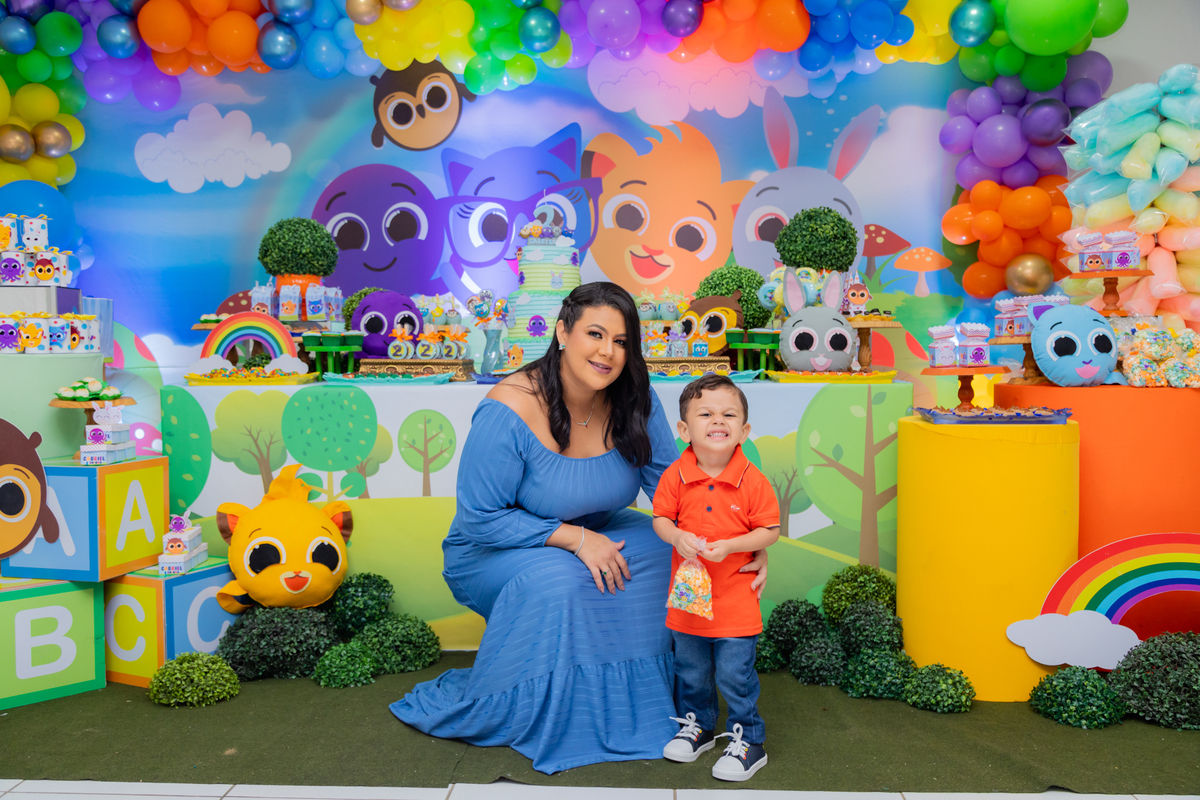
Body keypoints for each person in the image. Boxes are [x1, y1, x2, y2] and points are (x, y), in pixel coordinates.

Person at [389, 282, 769, 774]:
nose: (608, 351)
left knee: (669, 556)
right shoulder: (509, 408)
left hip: (598, 524)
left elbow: (675, 490)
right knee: (565, 579)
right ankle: (571, 707)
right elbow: (481, 518)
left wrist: (740, 543)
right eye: (595, 334)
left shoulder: (635, 398)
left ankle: (676, 711)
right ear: (562, 332)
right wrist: (577, 539)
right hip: (494, 547)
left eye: (621, 340)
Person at [652, 373, 781, 782]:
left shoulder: (753, 480)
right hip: (689, 600)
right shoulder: (675, 475)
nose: (718, 420)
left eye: (729, 414)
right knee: (690, 670)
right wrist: (677, 536)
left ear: (744, 430)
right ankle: (699, 727)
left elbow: (770, 530)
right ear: (684, 430)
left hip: (736, 601)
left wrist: (732, 545)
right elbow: (661, 519)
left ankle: (749, 740)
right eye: (705, 414)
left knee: (733, 675)